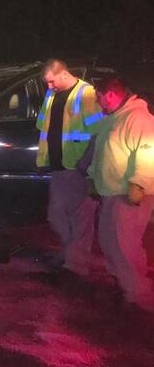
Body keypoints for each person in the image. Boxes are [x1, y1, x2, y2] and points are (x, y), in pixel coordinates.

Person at [88, 77, 154, 312]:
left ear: (110, 95)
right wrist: (92, 176)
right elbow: (102, 154)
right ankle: (125, 285)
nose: (98, 102)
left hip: (129, 194)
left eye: (99, 97)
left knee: (125, 245)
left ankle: (139, 296)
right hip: (111, 194)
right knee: (110, 241)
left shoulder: (138, 119)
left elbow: (148, 152)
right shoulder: (112, 119)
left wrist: (139, 184)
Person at [36, 59, 104, 277]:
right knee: (56, 215)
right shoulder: (52, 94)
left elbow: (98, 133)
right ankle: (70, 255)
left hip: (78, 168)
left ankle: (76, 266)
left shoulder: (86, 94)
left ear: (64, 74)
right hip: (59, 166)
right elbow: (43, 126)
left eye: (51, 81)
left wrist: (87, 164)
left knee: (81, 219)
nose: (49, 86)